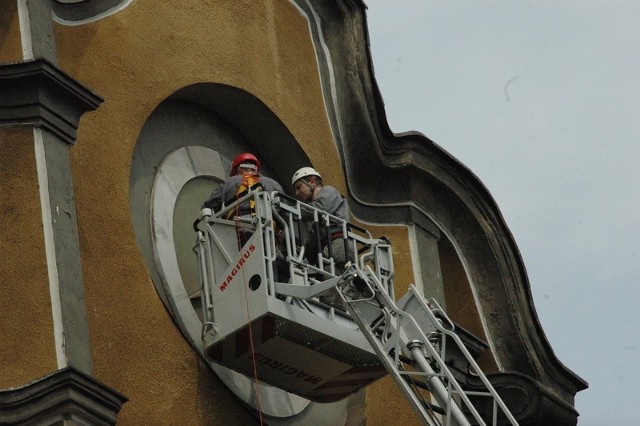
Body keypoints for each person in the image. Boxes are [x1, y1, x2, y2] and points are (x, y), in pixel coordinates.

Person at [291, 167, 354, 274]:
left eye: (299, 187)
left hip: (338, 243)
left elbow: (321, 207)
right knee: (327, 277)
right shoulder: (313, 216)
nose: (297, 193)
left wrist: (293, 211)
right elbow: (313, 238)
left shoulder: (329, 191)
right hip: (328, 247)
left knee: (332, 274)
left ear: (312, 181)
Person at [203, 152, 283, 215]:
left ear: (239, 169)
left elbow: (211, 205)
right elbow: (283, 211)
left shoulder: (230, 182)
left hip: (238, 227)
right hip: (269, 227)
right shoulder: (274, 184)